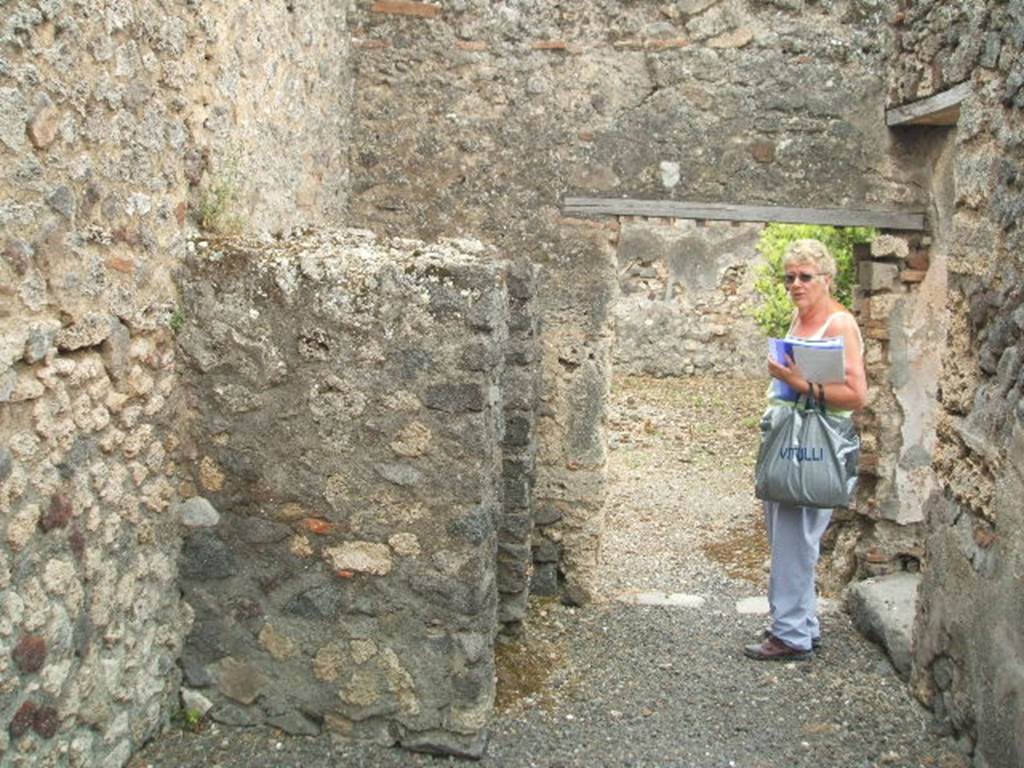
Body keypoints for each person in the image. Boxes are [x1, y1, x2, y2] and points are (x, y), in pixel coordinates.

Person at [744, 238, 867, 661]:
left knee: (796, 538)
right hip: (789, 438)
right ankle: (802, 623)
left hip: (813, 444)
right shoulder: (801, 318)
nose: (796, 284)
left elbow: (856, 393)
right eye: (790, 277)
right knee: (790, 537)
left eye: (805, 277)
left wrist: (796, 382)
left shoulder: (839, 325)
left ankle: (789, 634)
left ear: (826, 279)